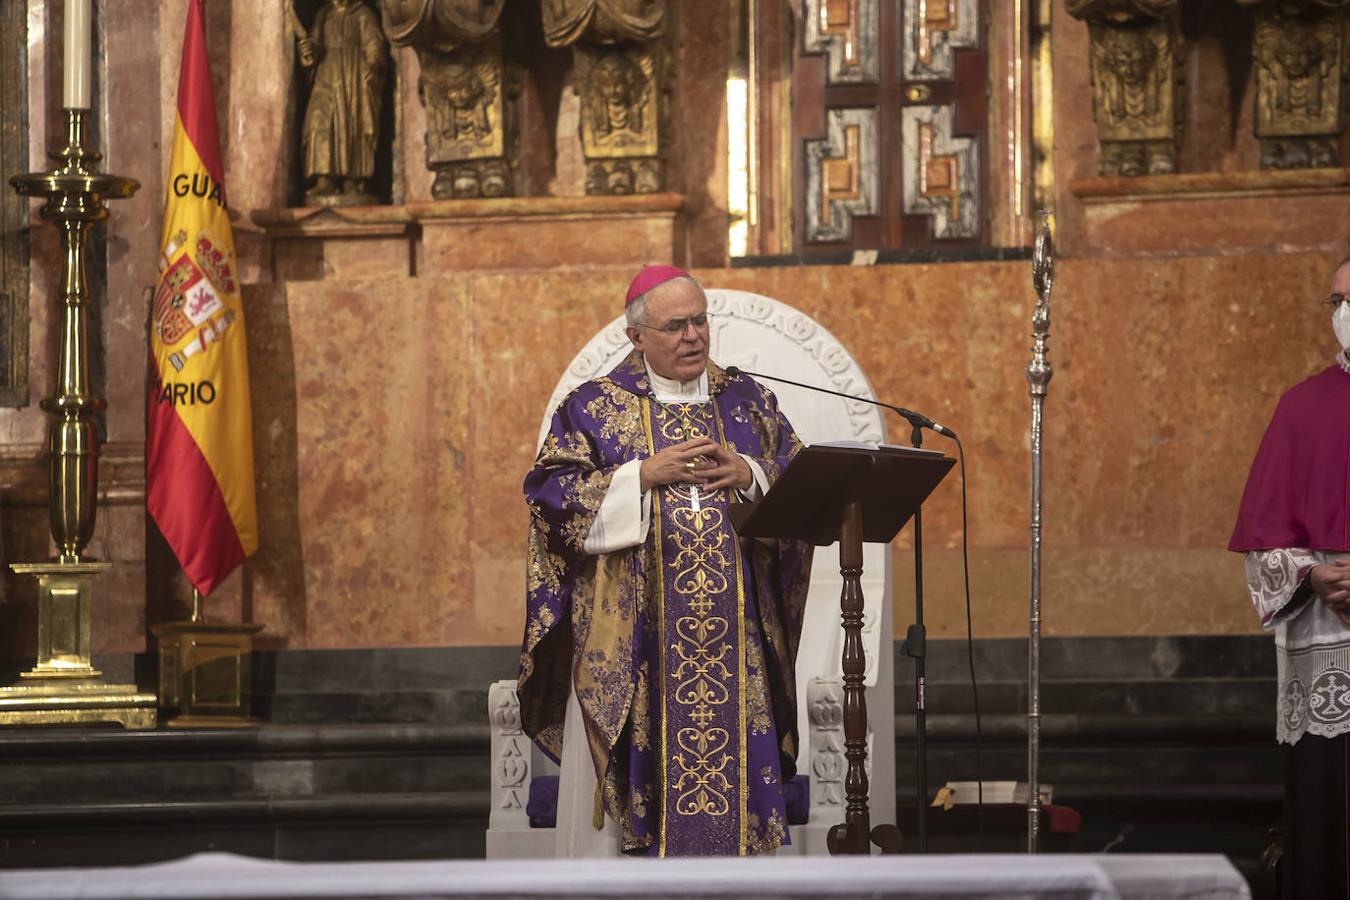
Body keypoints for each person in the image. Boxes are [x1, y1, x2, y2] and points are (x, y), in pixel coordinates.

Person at [518, 265, 811, 856]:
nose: (694, 336)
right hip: (636, 645)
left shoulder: (746, 399)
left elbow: (802, 479)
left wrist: (751, 475)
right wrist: (639, 477)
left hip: (737, 649)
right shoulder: (594, 406)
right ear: (636, 337)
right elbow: (549, 498)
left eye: (700, 321)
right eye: (676, 325)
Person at [1231, 254, 1350, 899]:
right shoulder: (1301, 408)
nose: (1344, 315)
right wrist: (1315, 574)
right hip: (1328, 643)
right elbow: (1264, 543)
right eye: (1336, 302)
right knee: (1327, 832)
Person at [297, 0, 386, 205]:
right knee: (320, 122)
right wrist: (309, 51)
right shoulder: (324, 14)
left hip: (354, 76)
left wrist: (374, 63)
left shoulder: (364, 14)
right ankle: (323, 177)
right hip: (327, 75)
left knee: (354, 122)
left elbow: (374, 44)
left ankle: (353, 180)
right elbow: (316, 46)